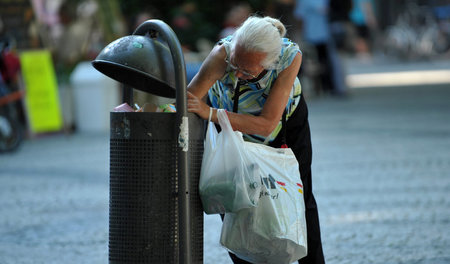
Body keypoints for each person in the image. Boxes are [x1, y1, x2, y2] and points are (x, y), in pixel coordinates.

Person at [187, 15, 325, 264]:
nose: (237, 74)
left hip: (284, 126)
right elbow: (189, 101)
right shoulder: (222, 53)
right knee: (233, 195)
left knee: (299, 195)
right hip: (230, 128)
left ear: (270, 63)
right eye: (235, 64)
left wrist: (211, 113)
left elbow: (266, 124)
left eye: (247, 71)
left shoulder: (289, 57)